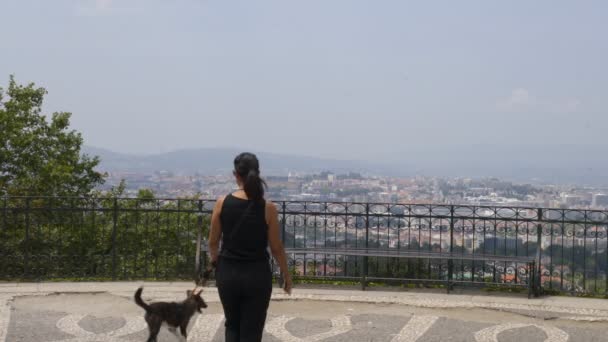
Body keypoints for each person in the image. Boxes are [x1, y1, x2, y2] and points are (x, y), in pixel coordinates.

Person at [208, 152, 292, 342]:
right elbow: (276, 247)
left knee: (232, 325)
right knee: (252, 330)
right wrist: (286, 275)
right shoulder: (268, 208)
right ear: (258, 173)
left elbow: (213, 241)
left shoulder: (222, 203)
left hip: (228, 273)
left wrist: (214, 263)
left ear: (235, 174)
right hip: (257, 274)